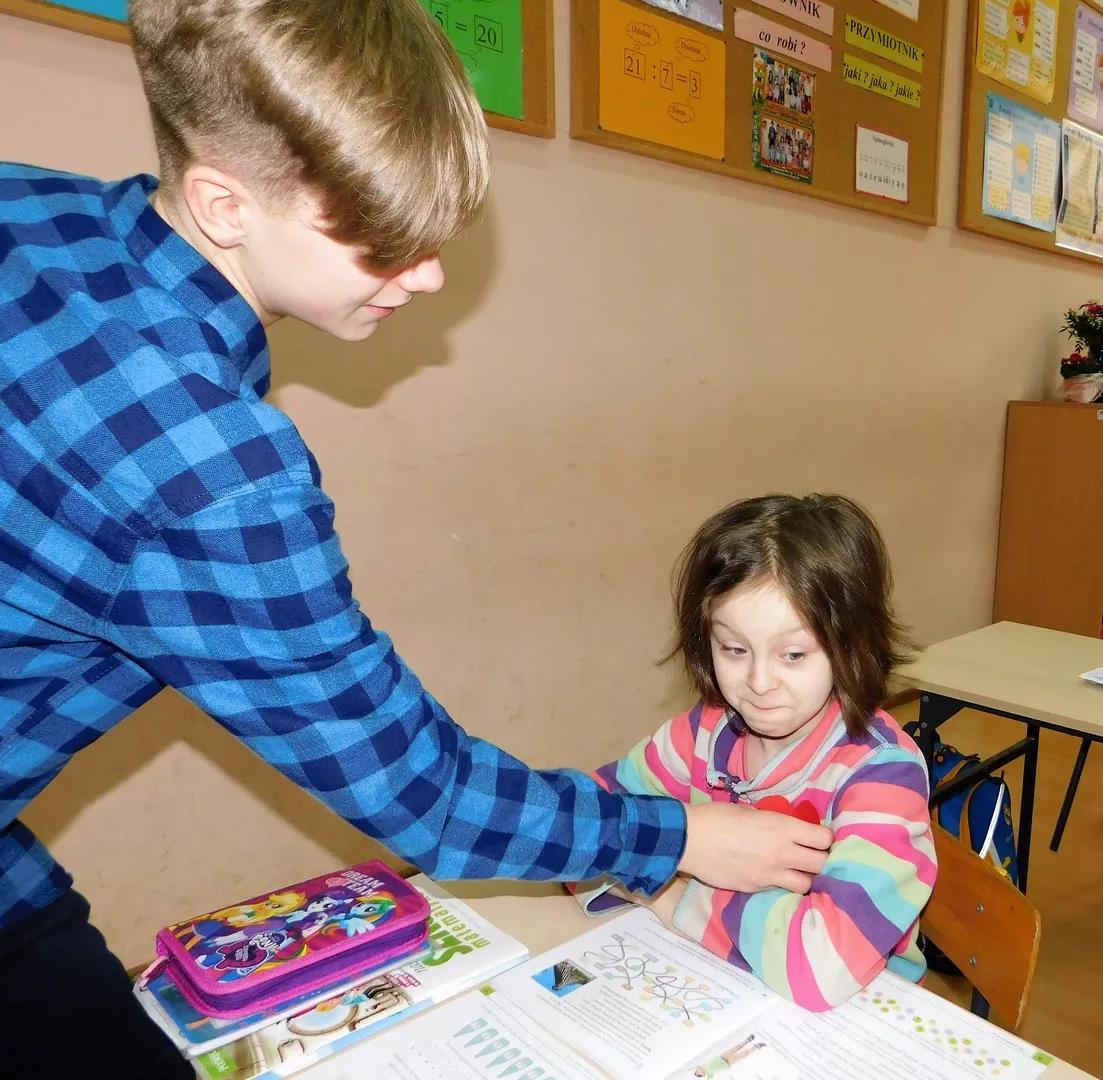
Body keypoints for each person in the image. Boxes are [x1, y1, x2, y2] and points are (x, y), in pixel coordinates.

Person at [0, 2, 831, 1077]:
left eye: (435, 235)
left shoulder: (31, 209)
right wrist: (682, 836)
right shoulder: (211, 472)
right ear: (223, 204)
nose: (430, 275)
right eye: (386, 241)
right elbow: (424, 794)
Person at [575, 494, 936, 1011]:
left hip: (862, 1020)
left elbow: (819, 969)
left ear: (852, 643)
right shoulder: (703, 734)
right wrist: (662, 860)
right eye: (734, 649)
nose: (760, 682)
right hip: (721, 986)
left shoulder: (882, 775)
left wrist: (667, 891)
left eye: (794, 654)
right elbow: (586, 827)